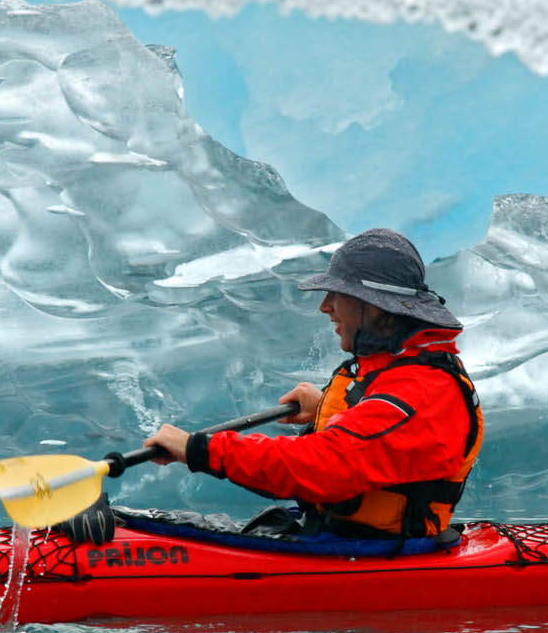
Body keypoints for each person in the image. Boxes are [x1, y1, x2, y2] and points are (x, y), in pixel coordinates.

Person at [134, 228, 484, 542]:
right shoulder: (399, 375)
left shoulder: (423, 393)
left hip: (373, 554)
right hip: (338, 539)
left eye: (338, 295)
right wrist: (326, 409)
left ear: (376, 308)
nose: (325, 307)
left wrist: (199, 449)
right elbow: (381, 432)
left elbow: (318, 467)